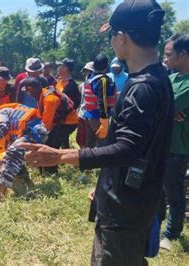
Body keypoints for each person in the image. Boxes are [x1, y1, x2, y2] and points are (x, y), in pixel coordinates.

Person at [21, 1, 173, 264]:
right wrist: (104, 183)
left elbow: (128, 148)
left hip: (125, 209)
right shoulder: (158, 78)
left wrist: (60, 155)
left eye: (112, 36)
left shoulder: (142, 88)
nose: (113, 43)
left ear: (121, 38)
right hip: (134, 197)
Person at [160, 33, 189, 251]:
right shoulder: (171, 78)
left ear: (184, 54)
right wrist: (169, 111)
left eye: (169, 54)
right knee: (158, 188)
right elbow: (155, 103)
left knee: (173, 192)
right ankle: (156, 223)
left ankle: (171, 233)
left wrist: (167, 109)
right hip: (161, 143)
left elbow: (164, 104)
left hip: (178, 147)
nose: (165, 59)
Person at [0, 104, 47, 201]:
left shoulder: (0, 112)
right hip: (37, 132)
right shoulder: (12, 116)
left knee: (11, 155)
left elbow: (2, 126)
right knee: (14, 153)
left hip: (33, 132)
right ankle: (25, 183)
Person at [82, 54, 117, 148]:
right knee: (103, 146)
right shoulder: (103, 80)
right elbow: (102, 100)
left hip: (89, 117)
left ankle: (88, 162)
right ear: (106, 66)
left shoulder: (90, 78)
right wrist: (104, 122)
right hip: (98, 119)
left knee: (90, 145)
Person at [54, 58, 81, 149]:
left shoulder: (72, 86)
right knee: (63, 141)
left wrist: (59, 116)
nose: (58, 68)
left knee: (53, 143)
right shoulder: (59, 82)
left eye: (60, 66)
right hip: (59, 120)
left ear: (66, 68)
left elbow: (74, 104)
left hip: (68, 121)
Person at [76, 62, 96, 148]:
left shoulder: (96, 85)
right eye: (85, 71)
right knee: (81, 137)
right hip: (81, 114)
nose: (86, 74)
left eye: (89, 72)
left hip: (91, 116)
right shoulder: (82, 86)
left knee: (89, 139)